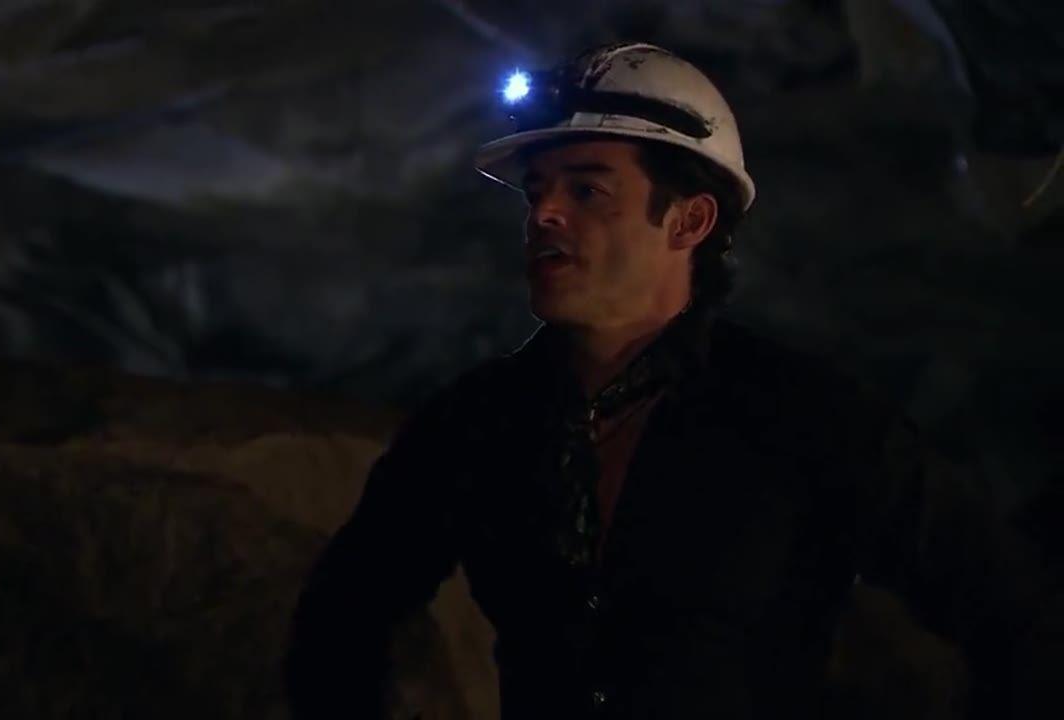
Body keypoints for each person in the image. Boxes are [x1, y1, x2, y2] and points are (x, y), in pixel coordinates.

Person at [284, 41, 1061, 719]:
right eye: (537, 190)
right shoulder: (478, 425)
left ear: (689, 222)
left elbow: (1018, 613)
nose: (543, 213)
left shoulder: (801, 418)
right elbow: (341, 618)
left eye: (586, 189)